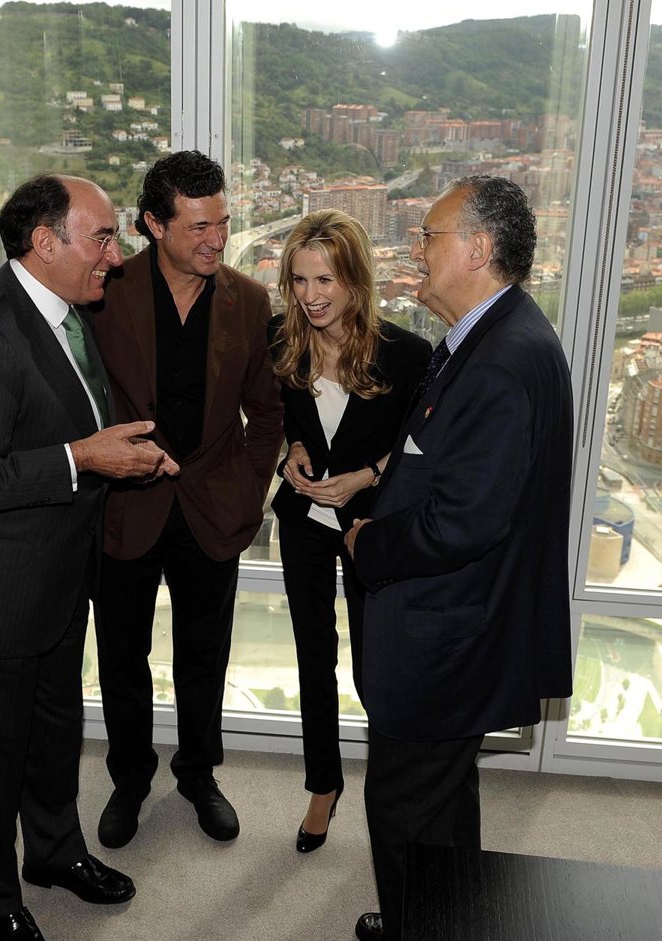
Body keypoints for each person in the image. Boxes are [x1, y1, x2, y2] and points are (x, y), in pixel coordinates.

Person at [0, 173, 180, 941]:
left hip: (56, 583)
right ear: (45, 242)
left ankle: (56, 854)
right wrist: (83, 457)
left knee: (54, 735)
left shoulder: (65, 311)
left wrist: (117, 451)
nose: (116, 256)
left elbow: (66, 421)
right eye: (102, 237)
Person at [345, 176, 574, 941]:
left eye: (429, 235)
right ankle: (448, 920)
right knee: (442, 802)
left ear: (478, 248)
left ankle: (418, 923)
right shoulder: (494, 336)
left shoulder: (501, 360)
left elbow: (463, 521)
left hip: (449, 634)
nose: (417, 250)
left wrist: (369, 542)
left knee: (404, 807)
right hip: (461, 624)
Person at [91, 151, 284, 847]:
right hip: (126, 504)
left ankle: (199, 774)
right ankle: (130, 780)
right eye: (199, 226)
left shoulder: (249, 299)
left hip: (214, 507)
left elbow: (267, 412)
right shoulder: (105, 292)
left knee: (205, 655)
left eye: (222, 223)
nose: (217, 239)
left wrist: (249, 491)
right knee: (122, 656)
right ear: (154, 224)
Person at [269, 209, 431, 854]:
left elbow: (423, 448)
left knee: (374, 665)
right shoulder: (281, 341)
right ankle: (323, 785)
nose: (311, 296)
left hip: (371, 525)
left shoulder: (408, 354)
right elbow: (276, 420)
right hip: (304, 520)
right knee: (314, 658)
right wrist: (290, 450)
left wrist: (365, 476)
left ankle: (393, 792)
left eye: (325, 280)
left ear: (355, 280)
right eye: (300, 280)